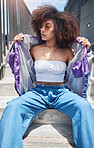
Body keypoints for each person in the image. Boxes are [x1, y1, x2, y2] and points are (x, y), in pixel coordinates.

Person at [0, 4, 94, 148]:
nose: (42, 30)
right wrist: (17, 45)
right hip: (38, 92)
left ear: (58, 28)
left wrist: (84, 49)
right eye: (41, 26)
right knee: (13, 106)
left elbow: (78, 70)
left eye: (47, 26)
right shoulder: (34, 49)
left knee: (84, 106)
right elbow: (20, 63)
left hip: (61, 93)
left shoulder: (68, 52)